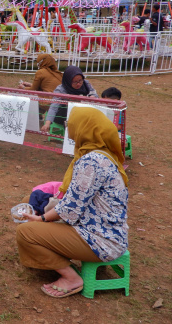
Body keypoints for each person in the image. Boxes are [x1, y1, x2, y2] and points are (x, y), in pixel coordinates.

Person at [17, 107, 128, 298]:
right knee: (30, 202)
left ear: (83, 128)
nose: (68, 127)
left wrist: (41, 219)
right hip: (108, 232)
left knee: (26, 232)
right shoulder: (101, 154)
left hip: (101, 240)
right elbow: (73, 199)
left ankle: (71, 277)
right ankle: (55, 250)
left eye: (71, 123)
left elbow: (70, 210)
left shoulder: (91, 161)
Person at [42, 66, 98, 132]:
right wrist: (47, 124)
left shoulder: (86, 84)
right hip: (64, 116)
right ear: (68, 80)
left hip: (83, 113)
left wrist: (92, 97)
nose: (78, 84)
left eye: (80, 80)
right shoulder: (61, 90)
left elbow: (95, 96)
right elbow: (54, 107)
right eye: (74, 82)